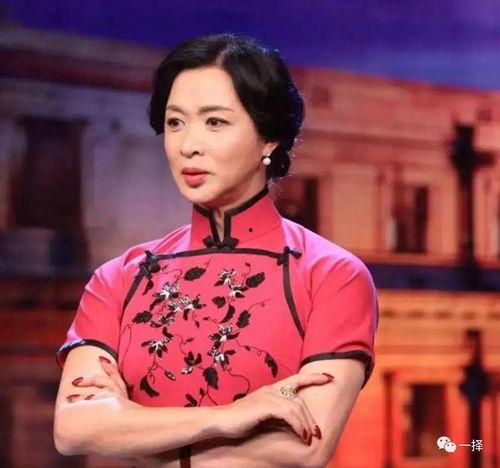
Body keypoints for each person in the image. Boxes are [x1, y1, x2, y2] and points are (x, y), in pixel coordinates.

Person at [53, 33, 379, 468]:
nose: (188, 144)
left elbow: (304, 447)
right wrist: (228, 418)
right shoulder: (120, 277)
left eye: (215, 122)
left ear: (269, 137)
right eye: (175, 122)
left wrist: (130, 426)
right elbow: (73, 429)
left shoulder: (330, 275)